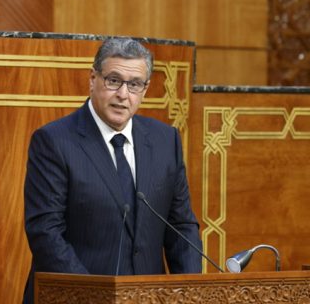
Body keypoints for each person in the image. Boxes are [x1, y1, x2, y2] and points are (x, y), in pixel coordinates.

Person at [22, 37, 203, 303]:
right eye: (114, 80)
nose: (123, 95)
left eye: (134, 85)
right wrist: (94, 297)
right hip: (74, 298)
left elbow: (181, 226)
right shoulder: (55, 141)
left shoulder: (166, 141)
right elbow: (46, 233)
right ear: (93, 79)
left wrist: (188, 294)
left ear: (145, 89)